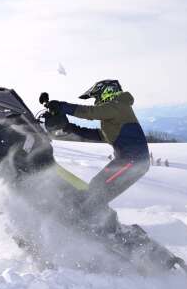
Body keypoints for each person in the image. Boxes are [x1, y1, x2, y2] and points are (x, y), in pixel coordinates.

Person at [46, 79, 149, 214]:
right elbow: (98, 135)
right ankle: (94, 219)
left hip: (133, 161)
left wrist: (62, 106)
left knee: (98, 190)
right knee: (97, 188)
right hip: (128, 161)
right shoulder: (117, 113)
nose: (96, 101)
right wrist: (69, 127)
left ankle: (87, 220)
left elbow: (90, 112)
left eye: (97, 97)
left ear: (106, 92)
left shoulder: (119, 105)